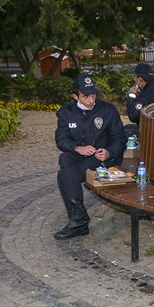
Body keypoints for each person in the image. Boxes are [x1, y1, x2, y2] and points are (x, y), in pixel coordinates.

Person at [54, 73, 127, 240]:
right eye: (85, 96)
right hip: (81, 156)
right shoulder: (65, 112)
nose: (90, 99)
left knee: (64, 174)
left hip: (103, 158)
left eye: (93, 94)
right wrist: (77, 148)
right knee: (65, 159)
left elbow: (119, 139)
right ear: (75, 96)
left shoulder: (108, 110)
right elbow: (61, 139)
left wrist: (110, 151)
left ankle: (79, 221)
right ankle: (79, 218)